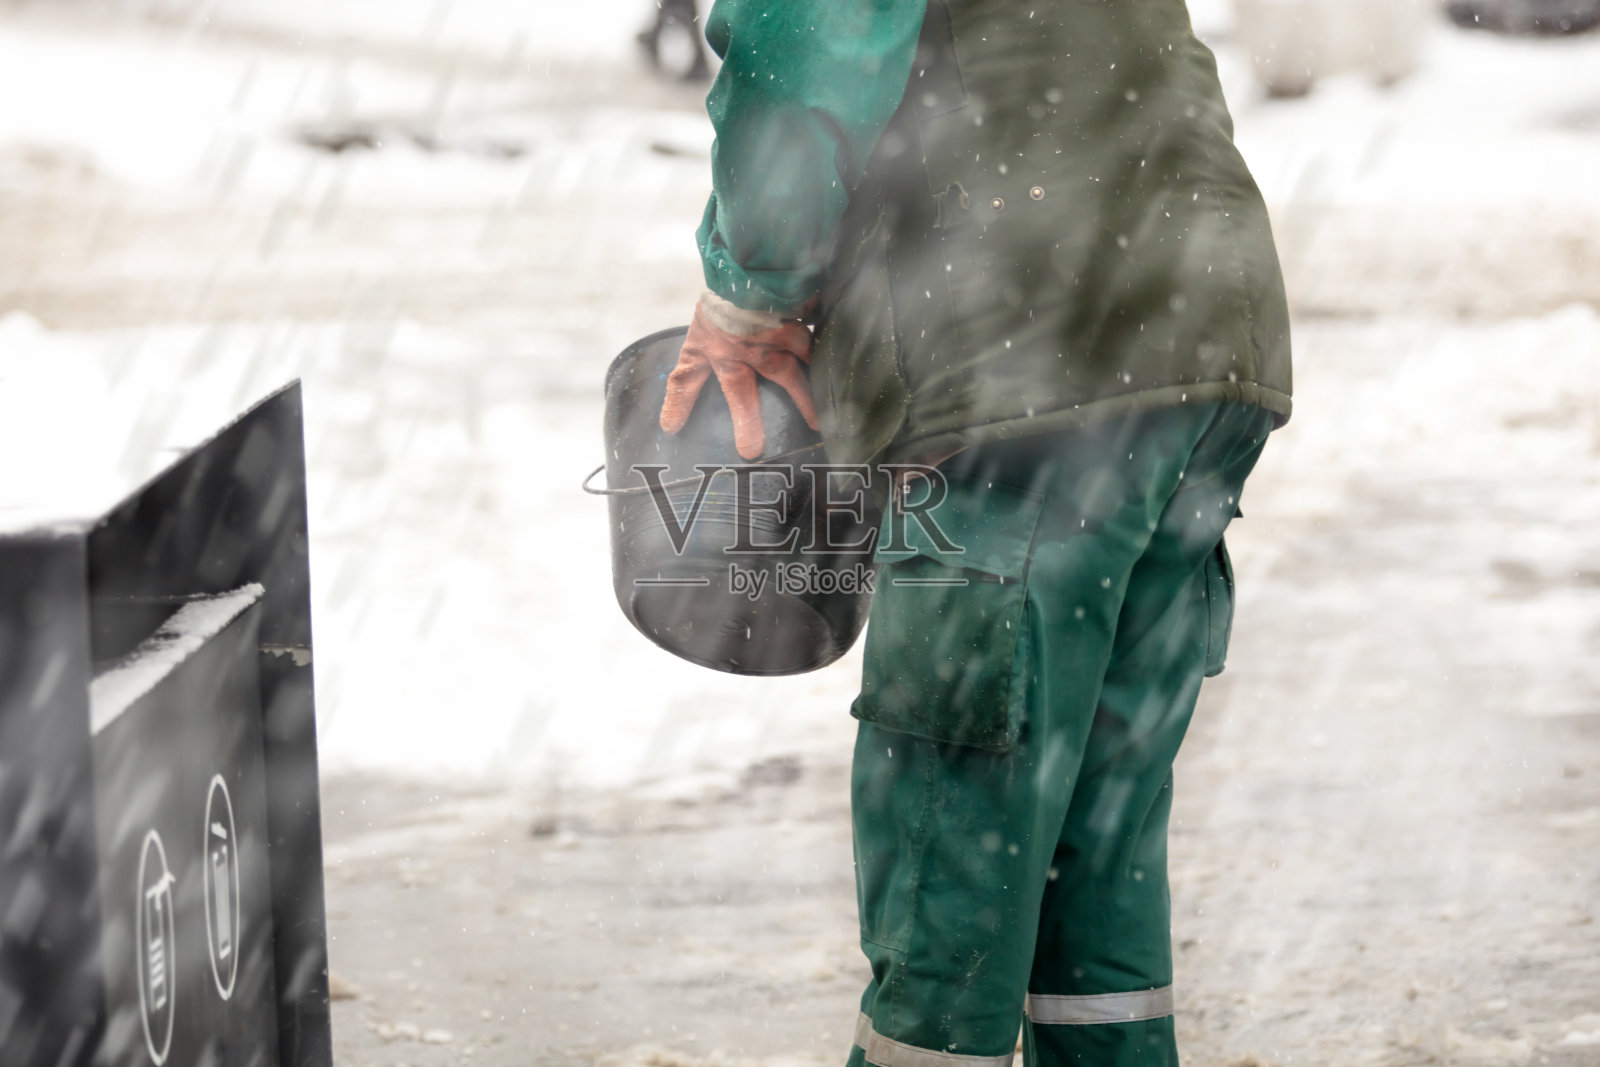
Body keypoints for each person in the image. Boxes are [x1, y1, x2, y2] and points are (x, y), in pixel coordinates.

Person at [658, 3, 1292, 1065]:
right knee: (1089, 870)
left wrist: (748, 286)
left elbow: (808, 46)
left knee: (957, 857)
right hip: (1198, 331)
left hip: (1031, 345)